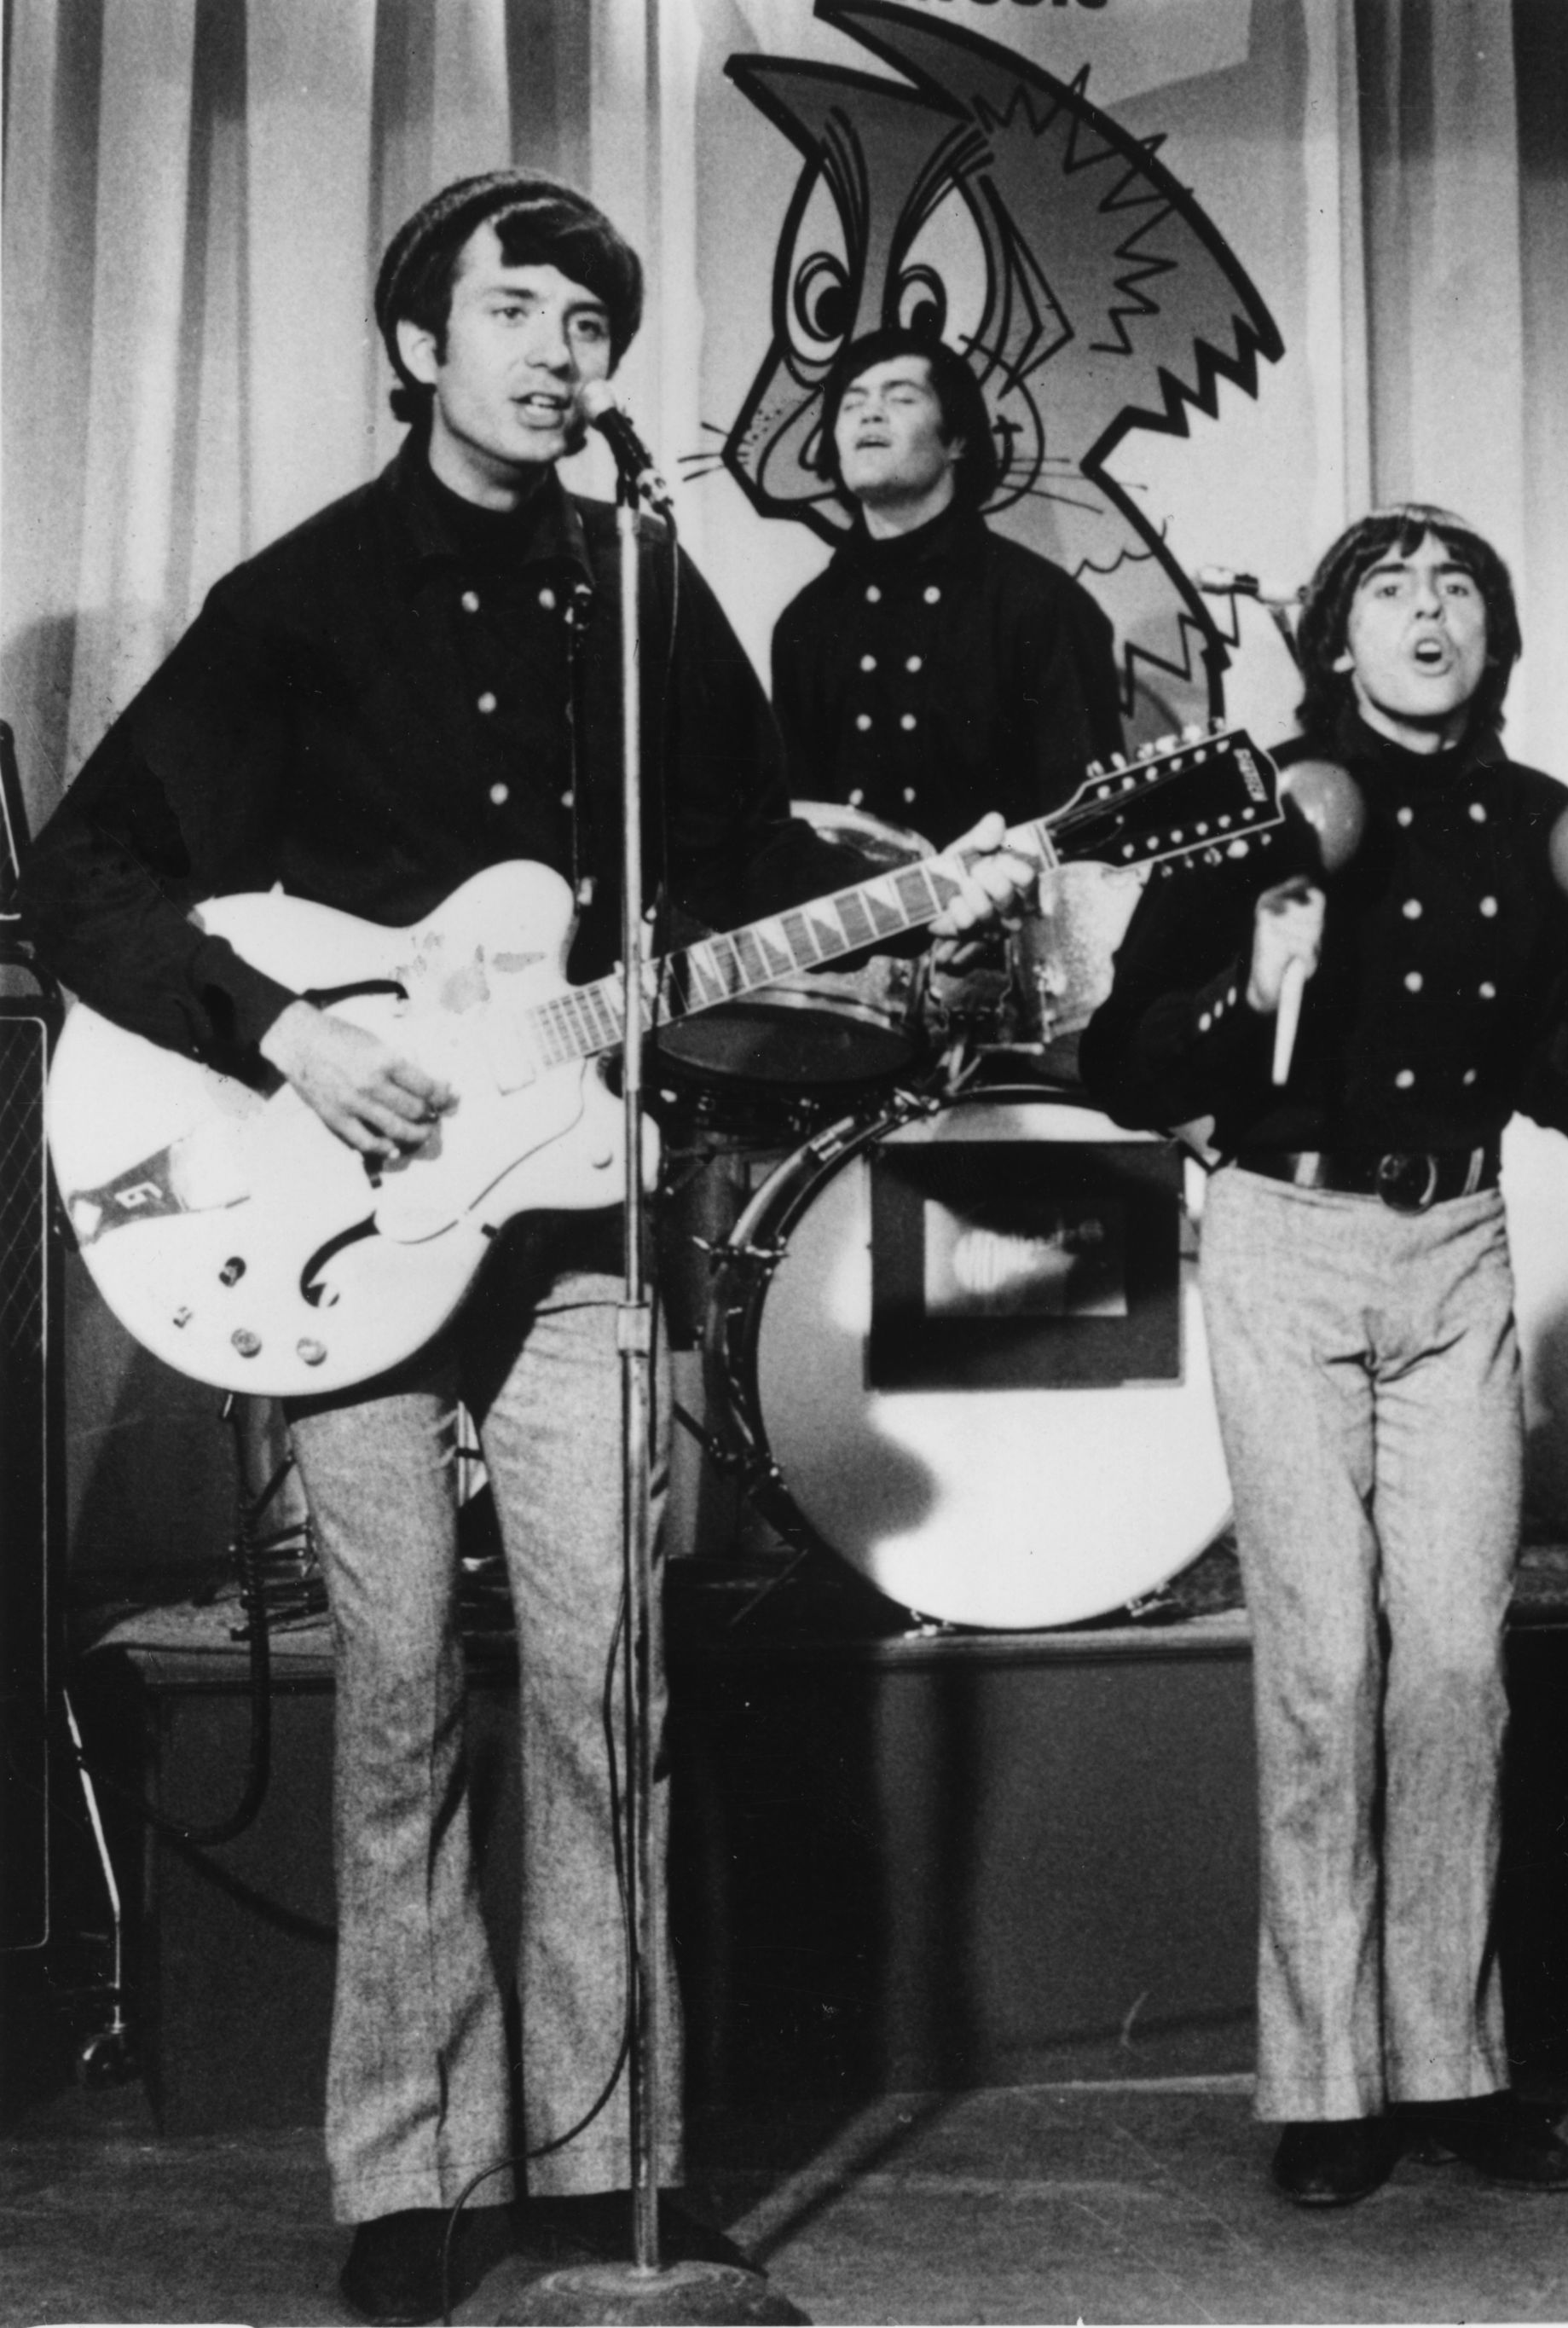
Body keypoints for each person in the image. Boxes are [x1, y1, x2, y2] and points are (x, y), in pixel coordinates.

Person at [22, 172, 1029, 2323]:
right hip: (348, 1229)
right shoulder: (296, 600)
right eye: (514, 309)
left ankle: (603, 2171)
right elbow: (84, 869)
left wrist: (910, 894)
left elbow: (739, 860)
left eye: (589, 316)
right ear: (417, 350)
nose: (562, 347)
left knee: (605, 1685)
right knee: (399, 1702)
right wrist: (283, 1030)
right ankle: (410, 2179)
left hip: (577, 1208)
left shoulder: (648, 589)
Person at [1080, 506, 1568, 2208]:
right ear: (1337, 635)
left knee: (1454, 1672)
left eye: (1462, 593)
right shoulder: (1250, 810)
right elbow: (1125, 1062)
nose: (1432, 614)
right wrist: (1241, 990)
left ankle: (1457, 2070)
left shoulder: (1550, 828)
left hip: (1458, 1254)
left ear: (1495, 637)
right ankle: (1331, 2089)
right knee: (1325, 1670)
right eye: (1393, 591)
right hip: (1282, 1240)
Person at [769, 324, 1123, 840]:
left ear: (956, 439)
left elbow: (1092, 825)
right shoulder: (805, 623)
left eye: (902, 398)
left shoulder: (1039, 603)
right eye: (852, 403)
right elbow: (797, 826)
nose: (870, 413)